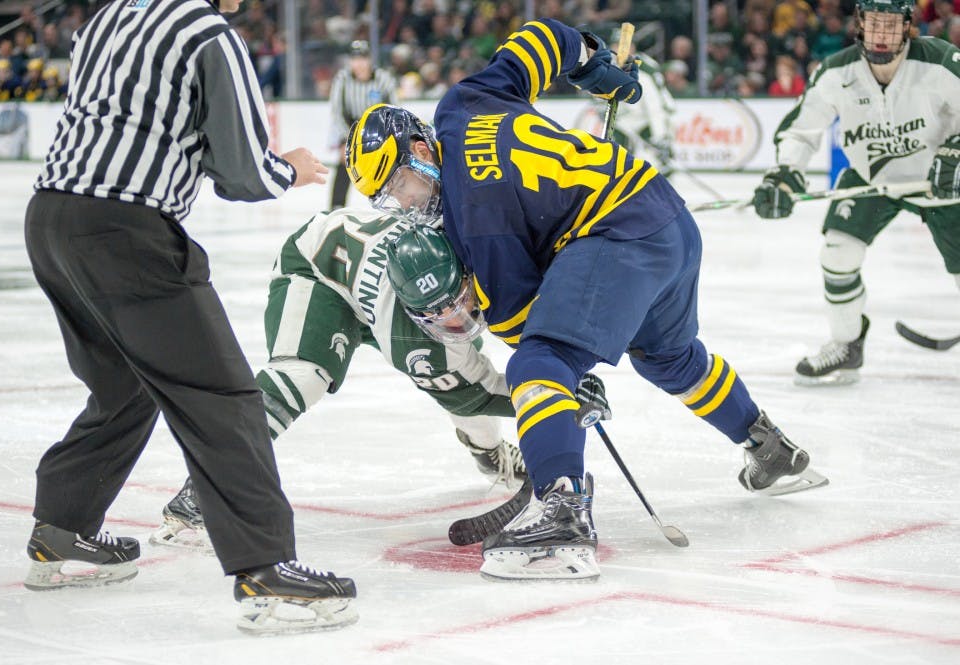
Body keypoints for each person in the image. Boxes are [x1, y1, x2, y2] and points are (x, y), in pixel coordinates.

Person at [345, 19, 824, 581]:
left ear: (421, 149)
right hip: (666, 216)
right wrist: (593, 65)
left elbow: (523, 326)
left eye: (403, 182)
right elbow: (541, 37)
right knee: (670, 357)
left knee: (538, 363)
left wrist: (563, 386)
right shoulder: (462, 103)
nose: (406, 201)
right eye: (391, 198)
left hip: (617, 234)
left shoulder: (475, 221)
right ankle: (768, 445)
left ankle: (562, 510)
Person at [23, 0, 355, 635]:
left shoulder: (111, 16)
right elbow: (241, 172)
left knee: (124, 386)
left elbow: (139, 123)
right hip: (128, 231)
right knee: (223, 396)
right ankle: (266, 569)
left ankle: (61, 529)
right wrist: (292, 170)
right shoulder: (207, 32)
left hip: (51, 219)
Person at [151, 207, 526, 552]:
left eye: (459, 302)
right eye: (440, 315)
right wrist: (556, 394)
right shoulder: (411, 340)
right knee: (301, 376)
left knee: (464, 362)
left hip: (358, 262)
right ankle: (206, 485)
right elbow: (474, 394)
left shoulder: (459, 255)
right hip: (317, 274)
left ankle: (488, 452)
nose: (457, 319)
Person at [753, 0, 960, 385]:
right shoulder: (836, 70)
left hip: (940, 179)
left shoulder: (941, 60)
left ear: (908, 27)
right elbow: (801, 129)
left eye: (892, 25)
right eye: (875, 24)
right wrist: (784, 175)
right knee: (838, 253)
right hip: (871, 176)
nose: (882, 34)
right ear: (861, 24)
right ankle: (847, 344)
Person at [574, 40, 677, 173]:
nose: (620, 50)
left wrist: (660, 137)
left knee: (657, 166)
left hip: (649, 121)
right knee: (619, 163)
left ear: (632, 47)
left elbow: (656, 107)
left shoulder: (643, 70)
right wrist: (601, 106)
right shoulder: (608, 66)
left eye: (624, 46)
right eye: (616, 45)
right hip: (626, 123)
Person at [328, 40, 397, 209]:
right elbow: (336, 111)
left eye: (363, 58)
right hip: (351, 126)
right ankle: (336, 206)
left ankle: (389, 204)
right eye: (355, 59)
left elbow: (394, 109)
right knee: (344, 160)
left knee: (385, 163)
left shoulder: (383, 79)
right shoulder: (342, 78)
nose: (359, 64)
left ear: (370, 59)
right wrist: (347, 138)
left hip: (378, 128)